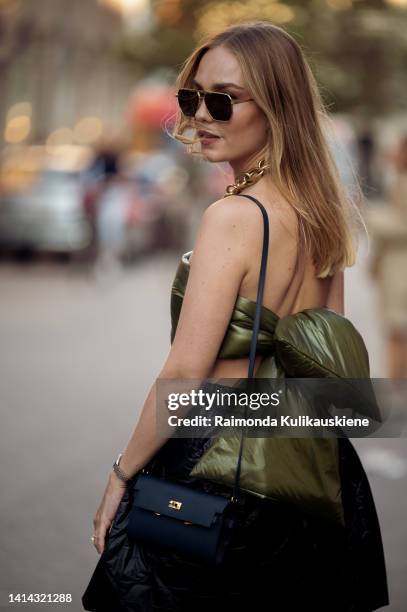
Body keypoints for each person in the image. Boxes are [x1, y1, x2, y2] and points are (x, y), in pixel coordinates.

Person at [82, 21, 389, 611]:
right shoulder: (319, 211)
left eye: (223, 99)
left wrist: (120, 476)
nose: (201, 115)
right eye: (192, 96)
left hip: (217, 461)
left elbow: (186, 373)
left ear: (275, 106)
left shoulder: (234, 217)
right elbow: (329, 371)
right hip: (312, 469)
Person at [368, 135, 407, 379]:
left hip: (400, 268)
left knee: (396, 331)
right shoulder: (399, 179)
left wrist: (372, 217)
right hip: (394, 265)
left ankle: (394, 387)